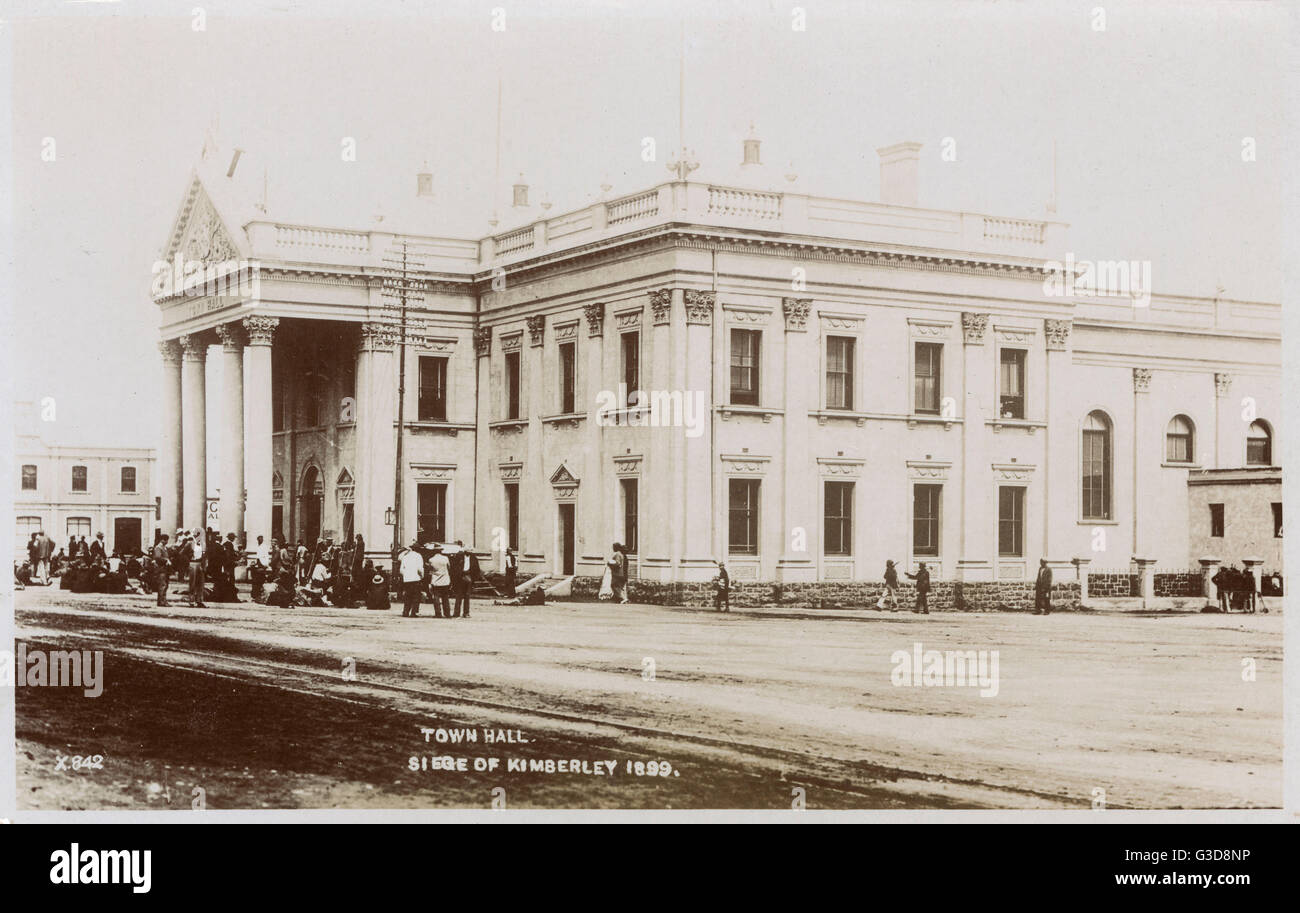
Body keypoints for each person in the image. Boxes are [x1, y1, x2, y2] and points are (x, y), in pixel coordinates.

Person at [448, 540, 479, 618]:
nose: (469, 553)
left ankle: (466, 613)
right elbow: (454, 568)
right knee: (459, 596)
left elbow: (477, 570)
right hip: (460, 578)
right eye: (468, 552)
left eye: (470, 552)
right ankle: (456, 613)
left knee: (467, 596)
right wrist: (455, 578)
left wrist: (473, 579)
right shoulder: (459, 556)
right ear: (465, 551)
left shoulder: (474, 558)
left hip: (469, 577)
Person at [398, 544, 426, 617]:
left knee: (407, 596)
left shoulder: (405, 557)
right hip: (416, 579)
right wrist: (422, 576)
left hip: (407, 579)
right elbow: (420, 569)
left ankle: (405, 612)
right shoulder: (418, 556)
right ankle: (413, 612)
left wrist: (406, 575)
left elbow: (401, 570)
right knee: (416, 596)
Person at [429, 545, 452, 618]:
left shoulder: (431, 559)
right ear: (441, 551)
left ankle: (438, 613)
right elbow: (449, 567)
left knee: (436, 597)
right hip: (445, 580)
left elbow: (430, 570)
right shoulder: (445, 558)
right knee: (445, 597)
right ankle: (447, 613)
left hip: (436, 580)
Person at [187, 527, 206, 607]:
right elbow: (182, 553)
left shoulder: (203, 544)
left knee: (201, 583)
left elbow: (205, 555)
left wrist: (204, 564)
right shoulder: (190, 543)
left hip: (200, 564)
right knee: (193, 583)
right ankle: (191, 600)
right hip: (193, 563)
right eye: (197, 534)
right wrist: (189, 559)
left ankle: (199, 600)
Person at [152, 534, 172, 606]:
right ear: (162, 540)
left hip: (165, 569)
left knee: (165, 585)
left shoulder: (164, 548)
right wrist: (166, 560)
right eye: (165, 540)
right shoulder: (158, 548)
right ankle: (161, 601)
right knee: (162, 585)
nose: (166, 541)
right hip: (161, 569)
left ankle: (163, 600)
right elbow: (158, 557)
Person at [250, 535, 270, 601]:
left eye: (261, 539)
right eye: (259, 539)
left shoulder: (263, 546)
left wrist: (265, 565)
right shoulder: (259, 546)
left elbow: (265, 556)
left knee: (260, 580)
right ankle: (256, 594)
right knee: (257, 581)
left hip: (262, 564)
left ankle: (259, 594)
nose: (260, 540)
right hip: (259, 564)